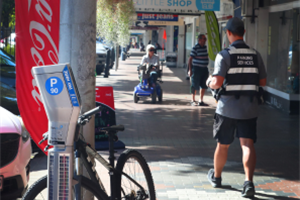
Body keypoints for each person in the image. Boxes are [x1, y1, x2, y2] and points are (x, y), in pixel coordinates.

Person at [205, 17, 267, 198]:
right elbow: (262, 81)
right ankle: (248, 183)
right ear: (244, 33)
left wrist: (209, 81)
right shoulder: (256, 54)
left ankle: (216, 178)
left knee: (223, 145)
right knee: (247, 145)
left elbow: (217, 83)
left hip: (227, 109)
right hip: (249, 108)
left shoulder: (224, 55)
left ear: (229, 33)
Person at [188, 34, 209, 106]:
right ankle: (193, 100)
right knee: (194, 84)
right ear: (199, 40)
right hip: (197, 69)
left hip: (204, 69)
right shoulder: (195, 48)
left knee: (204, 84)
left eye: (205, 39)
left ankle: (201, 100)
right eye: (204, 39)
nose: (205, 40)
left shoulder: (205, 47)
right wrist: (190, 70)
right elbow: (190, 59)